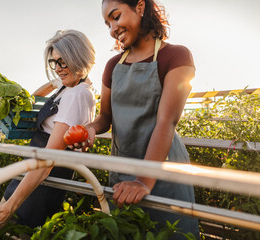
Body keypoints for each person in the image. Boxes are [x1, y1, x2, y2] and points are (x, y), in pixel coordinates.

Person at [84, 0, 199, 238]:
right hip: (123, 171)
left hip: (163, 172)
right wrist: (92, 128)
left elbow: (166, 122)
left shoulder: (176, 56)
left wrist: (144, 181)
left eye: (116, 17)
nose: (112, 29)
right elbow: (106, 116)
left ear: (139, 7)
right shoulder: (113, 65)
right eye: (107, 24)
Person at [0, 29, 96, 230]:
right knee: (0, 226)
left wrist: (9, 208)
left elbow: (48, 159)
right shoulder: (69, 87)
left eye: (63, 61)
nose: (58, 68)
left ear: (79, 57)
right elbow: (34, 96)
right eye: (54, 62)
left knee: (18, 228)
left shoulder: (75, 95)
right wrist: (54, 81)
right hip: (33, 170)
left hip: (42, 178)